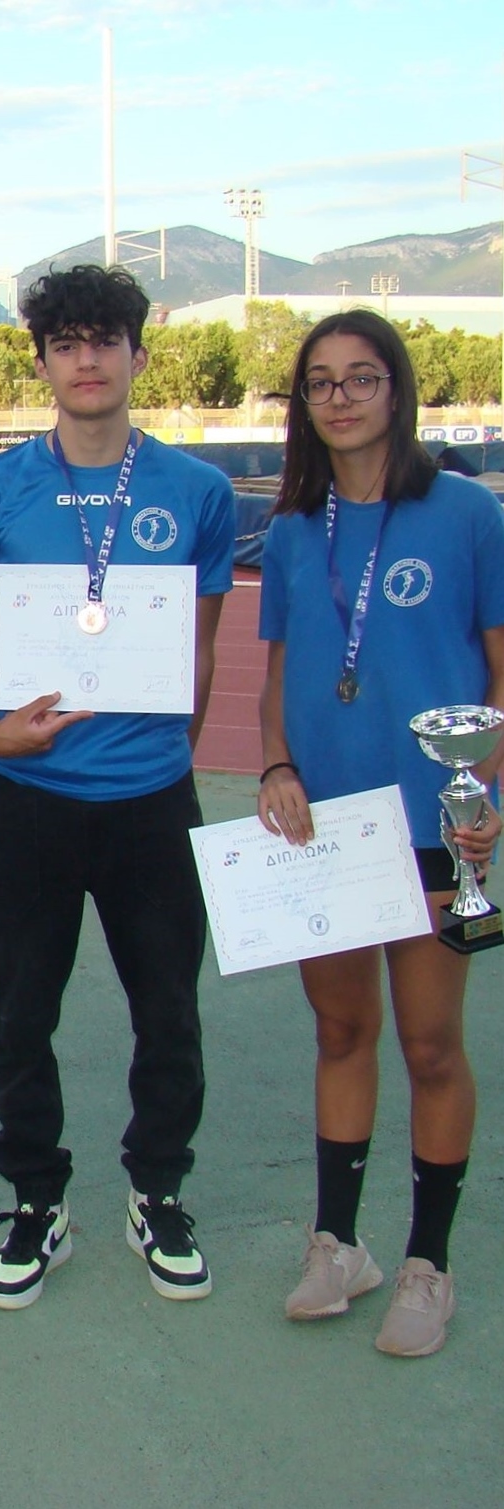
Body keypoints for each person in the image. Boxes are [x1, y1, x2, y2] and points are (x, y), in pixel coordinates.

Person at [0, 264, 235, 1311]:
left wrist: (168, 756)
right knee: (18, 1013)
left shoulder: (196, 492)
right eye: (66, 343)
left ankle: (159, 1190)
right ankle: (35, 1199)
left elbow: (199, 650)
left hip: (150, 802)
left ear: (139, 354)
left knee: (169, 1011)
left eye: (106, 340)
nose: (87, 359)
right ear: (44, 362)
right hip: (27, 800)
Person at [256, 309, 504, 1357]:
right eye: (321, 381)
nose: (341, 397)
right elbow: (276, 681)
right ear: (304, 404)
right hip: (326, 831)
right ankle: (339, 1244)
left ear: (395, 390)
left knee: (431, 1043)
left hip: (438, 827)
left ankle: (426, 1262)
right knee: (340, 1032)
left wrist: (485, 792)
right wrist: (275, 766)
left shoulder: (466, 513)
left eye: (361, 377)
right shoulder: (291, 528)